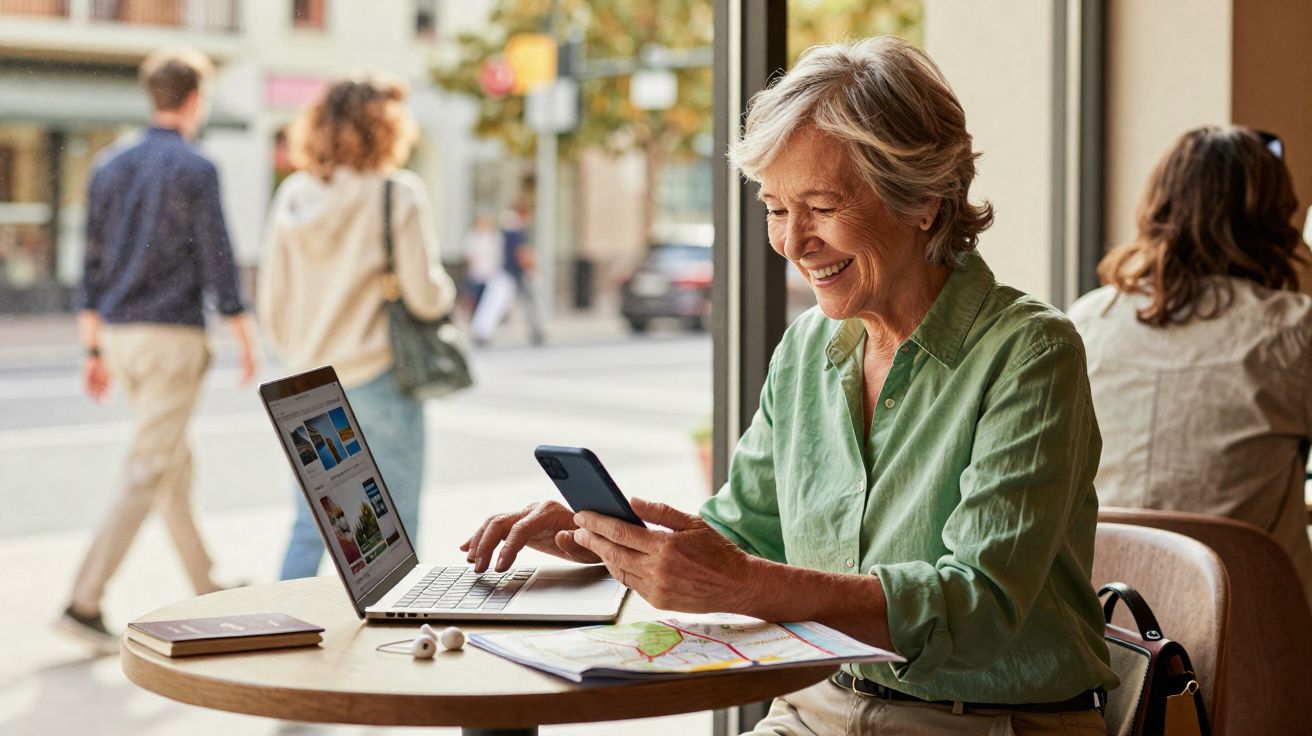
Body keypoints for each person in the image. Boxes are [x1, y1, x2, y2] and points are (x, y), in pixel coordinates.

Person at [461, 37, 1116, 734]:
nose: (791, 242)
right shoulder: (809, 348)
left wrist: (742, 582)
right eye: (776, 208)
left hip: (982, 723)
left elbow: (976, 608)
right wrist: (601, 535)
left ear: (924, 199)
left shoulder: (1031, 352)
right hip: (815, 708)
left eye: (822, 207)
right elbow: (745, 534)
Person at [59, 47, 258, 654]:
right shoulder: (197, 166)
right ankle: (82, 601)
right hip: (172, 336)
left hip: (119, 336)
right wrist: (246, 338)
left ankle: (207, 584)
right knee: (149, 468)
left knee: (172, 462)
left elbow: (90, 261)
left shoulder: (109, 163)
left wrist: (91, 346)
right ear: (196, 98)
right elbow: (217, 258)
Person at [1069, 125, 1312, 609]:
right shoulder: (1294, 332)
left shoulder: (1086, 322)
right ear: (1274, 222)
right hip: (1253, 648)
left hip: (1108, 630)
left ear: (1157, 208)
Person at [259, 72, 456, 580]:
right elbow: (425, 296)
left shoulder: (294, 197)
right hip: (378, 378)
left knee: (310, 526)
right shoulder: (398, 194)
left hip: (308, 381)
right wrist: (446, 292)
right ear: (385, 130)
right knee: (394, 531)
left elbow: (271, 300)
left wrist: (299, 354)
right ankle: (389, 647)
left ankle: (286, 635)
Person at [469, 202, 545, 346]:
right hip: (511, 273)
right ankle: (482, 332)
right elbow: (521, 252)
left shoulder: (505, 231)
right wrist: (531, 268)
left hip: (505, 272)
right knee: (500, 302)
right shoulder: (516, 231)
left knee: (495, 302)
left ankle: (482, 331)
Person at [461, 211, 503, 316]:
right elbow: (468, 255)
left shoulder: (494, 237)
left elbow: (499, 254)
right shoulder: (473, 237)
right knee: (475, 296)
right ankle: (474, 317)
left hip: (490, 273)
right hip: (476, 273)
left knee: (487, 299)